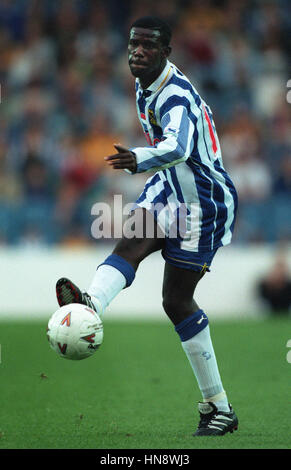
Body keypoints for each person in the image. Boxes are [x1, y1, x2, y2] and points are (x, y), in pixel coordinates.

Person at [56, 16, 238, 436]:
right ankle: (89, 306)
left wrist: (139, 157)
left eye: (148, 46)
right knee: (128, 247)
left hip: (202, 204)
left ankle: (220, 408)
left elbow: (179, 146)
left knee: (176, 302)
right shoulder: (145, 84)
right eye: (133, 44)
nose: (137, 52)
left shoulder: (174, 94)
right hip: (168, 190)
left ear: (166, 52)